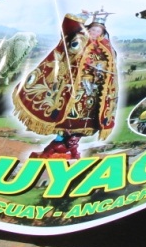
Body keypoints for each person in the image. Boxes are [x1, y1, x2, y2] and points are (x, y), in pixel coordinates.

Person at [12, 11, 117, 159]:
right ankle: (56, 146)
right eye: (92, 29)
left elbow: (111, 71)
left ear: (103, 32)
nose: (94, 32)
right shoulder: (78, 39)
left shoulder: (106, 48)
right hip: (70, 89)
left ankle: (73, 147)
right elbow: (68, 30)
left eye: (98, 30)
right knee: (65, 120)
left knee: (84, 123)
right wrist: (83, 17)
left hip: (93, 94)